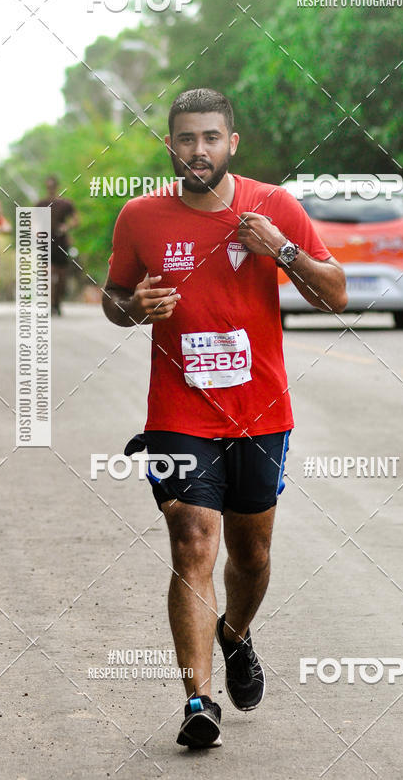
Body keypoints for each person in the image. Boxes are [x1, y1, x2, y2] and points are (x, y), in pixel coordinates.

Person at [102, 89, 347, 749]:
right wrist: (134, 306)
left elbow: (337, 292)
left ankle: (235, 632)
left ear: (231, 143)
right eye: (187, 138)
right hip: (179, 411)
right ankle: (198, 701)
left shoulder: (273, 207)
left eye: (211, 137)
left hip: (260, 412)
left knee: (253, 552)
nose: (199, 149)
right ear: (171, 146)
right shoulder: (141, 216)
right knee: (191, 538)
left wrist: (282, 252)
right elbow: (113, 296)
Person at [36, 175, 78, 315]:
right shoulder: (40, 204)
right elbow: (32, 222)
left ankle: (57, 301)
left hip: (61, 242)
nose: (51, 189)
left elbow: (76, 220)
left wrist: (66, 227)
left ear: (56, 187)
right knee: (47, 273)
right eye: (48, 186)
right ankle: (51, 301)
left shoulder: (65, 204)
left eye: (52, 186)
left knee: (61, 274)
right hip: (45, 241)